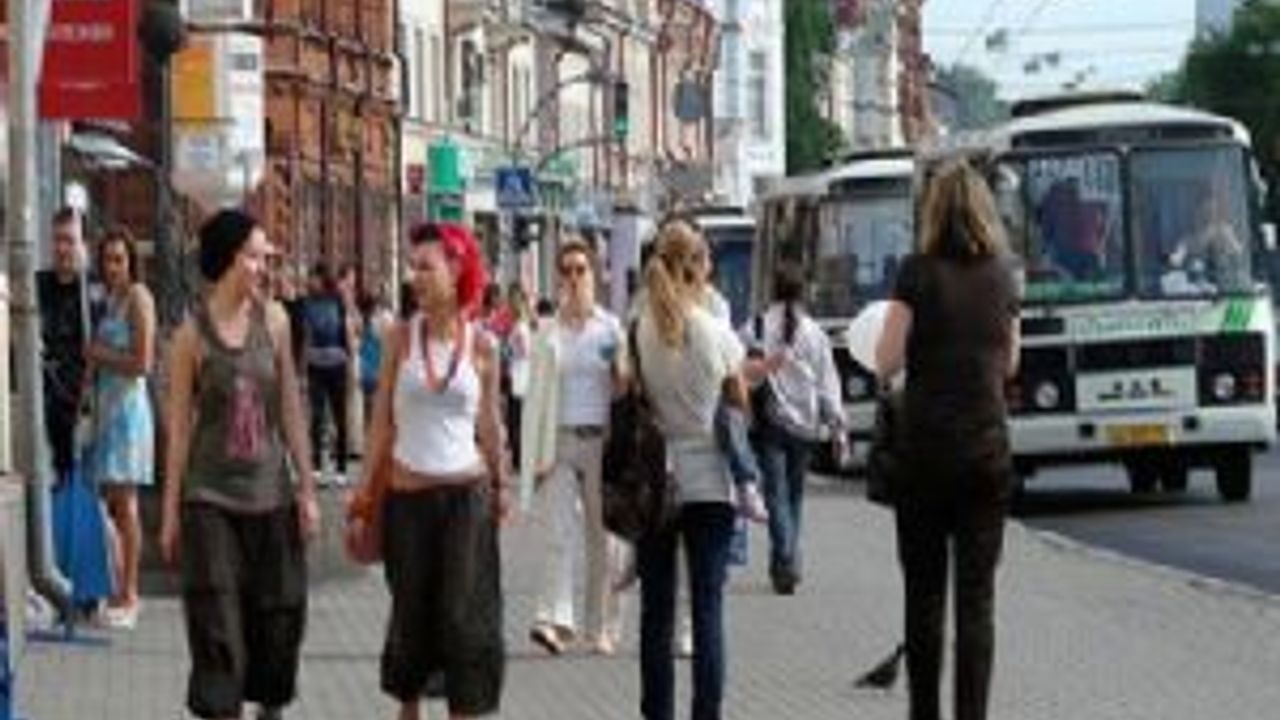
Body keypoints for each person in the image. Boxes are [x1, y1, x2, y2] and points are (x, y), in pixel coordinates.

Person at [874, 159, 1021, 720]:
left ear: (933, 212)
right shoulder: (1003, 275)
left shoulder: (915, 273)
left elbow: (886, 359)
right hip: (986, 452)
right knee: (977, 601)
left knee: (925, 596)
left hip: (925, 453)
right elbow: (1010, 362)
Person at [160, 209, 321, 720]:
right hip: (209, 500)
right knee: (217, 628)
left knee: (279, 622)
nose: (263, 266)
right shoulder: (190, 337)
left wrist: (307, 490)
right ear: (230, 260)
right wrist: (170, 514)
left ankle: (270, 710)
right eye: (254, 256)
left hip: (271, 497)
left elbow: (290, 408)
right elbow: (179, 432)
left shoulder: (275, 322)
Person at [352, 221, 508, 720]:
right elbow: (380, 423)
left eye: (426, 267)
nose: (415, 277)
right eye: (413, 267)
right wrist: (362, 498)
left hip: (466, 497)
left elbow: (490, 424)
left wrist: (501, 483)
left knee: (464, 622)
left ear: (456, 270)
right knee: (411, 617)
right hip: (408, 498)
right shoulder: (399, 338)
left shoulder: (482, 345)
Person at [634, 221, 746, 720]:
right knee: (707, 610)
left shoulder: (641, 327)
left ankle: (657, 713)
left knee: (656, 612)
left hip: (657, 481)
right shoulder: (713, 329)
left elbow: (629, 390)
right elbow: (739, 399)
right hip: (711, 481)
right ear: (698, 266)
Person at [520, 238, 627, 656]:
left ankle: (601, 626)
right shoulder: (549, 332)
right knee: (558, 533)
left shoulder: (610, 328)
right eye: (566, 270)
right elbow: (534, 396)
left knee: (604, 540)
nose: (574, 278)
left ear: (594, 274)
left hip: (601, 441)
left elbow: (623, 387)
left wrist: (621, 373)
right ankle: (555, 621)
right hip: (560, 441)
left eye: (581, 269)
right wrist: (535, 455)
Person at [742, 263, 845, 595]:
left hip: (770, 422)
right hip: (806, 425)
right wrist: (837, 425)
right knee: (794, 496)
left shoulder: (756, 326)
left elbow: (738, 369)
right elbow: (828, 383)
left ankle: (785, 558)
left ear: (773, 289)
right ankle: (785, 562)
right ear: (804, 293)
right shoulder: (815, 334)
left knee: (775, 495)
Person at [87, 227, 157, 629]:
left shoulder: (139, 297)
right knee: (110, 503)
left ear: (131, 261)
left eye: (119, 259)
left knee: (127, 505)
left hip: (129, 414)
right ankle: (115, 587)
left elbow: (143, 362)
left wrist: (101, 354)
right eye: (107, 260)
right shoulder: (108, 299)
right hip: (106, 410)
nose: (112, 267)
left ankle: (131, 593)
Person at [38, 208, 95, 486]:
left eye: (70, 240)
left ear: (84, 245)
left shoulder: (94, 292)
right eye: (57, 239)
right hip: (41, 407)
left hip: (83, 409)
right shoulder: (37, 285)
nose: (62, 248)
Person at [302, 263, 353, 485]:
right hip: (315, 364)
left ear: (322, 278)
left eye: (313, 277)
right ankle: (316, 467)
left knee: (340, 416)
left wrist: (349, 361)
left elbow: (346, 332)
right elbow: (306, 334)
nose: (310, 281)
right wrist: (303, 366)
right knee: (317, 417)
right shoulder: (307, 303)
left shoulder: (338, 301)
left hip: (337, 364)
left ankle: (341, 469)